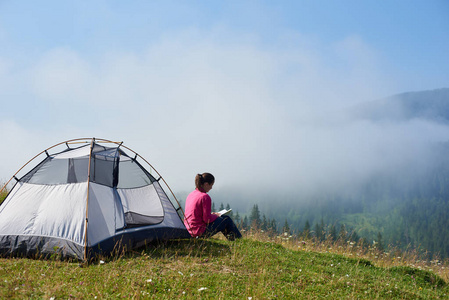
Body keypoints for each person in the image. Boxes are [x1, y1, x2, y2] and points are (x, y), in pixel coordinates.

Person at [184, 173, 242, 241]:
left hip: (189, 230)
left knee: (223, 220)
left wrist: (212, 215)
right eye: (211, 185)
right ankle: (238, 241)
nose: (211, 188)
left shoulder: (191, 194)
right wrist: (216, 215)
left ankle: (235, 241)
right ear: (206, 184)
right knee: (226, 219)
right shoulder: (205, 197)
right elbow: (207, 220)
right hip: (199, 231)